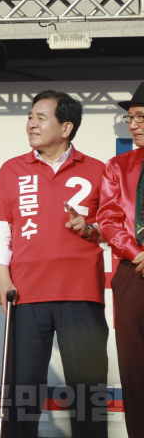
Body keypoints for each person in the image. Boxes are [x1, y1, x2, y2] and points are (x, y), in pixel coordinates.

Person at [0, 90, 108, 438]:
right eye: (30, 116)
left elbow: (113, 228)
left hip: (81, 294)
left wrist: (89, 229)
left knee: (87, 391)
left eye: (41, 117)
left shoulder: (98, 170)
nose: (31, 123)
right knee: (22, 392)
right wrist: (2, 279)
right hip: (26, 294)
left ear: (66, 127)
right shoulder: (12, 169)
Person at [98, 80, 144, 438]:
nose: (134, 124)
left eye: (141, 116)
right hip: (132, 271)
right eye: (130, 118)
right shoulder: (118, 165)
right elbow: (109, 218)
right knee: (133, 364)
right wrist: (137, 253)